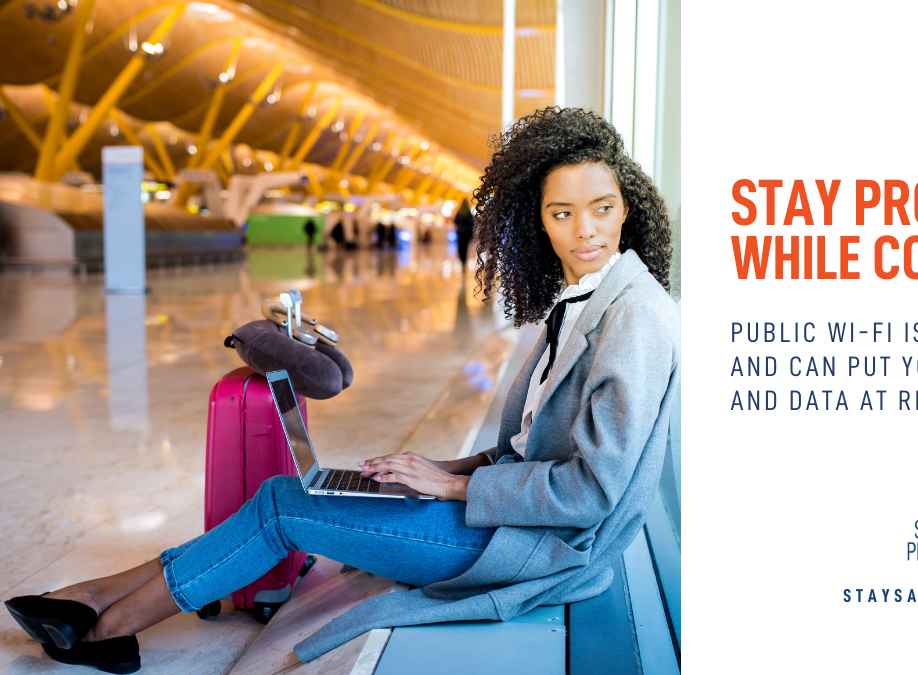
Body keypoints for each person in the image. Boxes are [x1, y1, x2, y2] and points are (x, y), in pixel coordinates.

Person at [4, 107, 679, 672]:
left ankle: (106, 625)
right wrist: (442, 467)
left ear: (628, 208)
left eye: (601, 208)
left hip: (530, 545)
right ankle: (93, 596)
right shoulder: (585, 300)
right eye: (562, 213)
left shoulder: (635, 316)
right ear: (538, 220)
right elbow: (535, 444)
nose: (584, 230)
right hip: (499, 517)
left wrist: (451, 487)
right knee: (299, 491)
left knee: (283, 508)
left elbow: (592, 491)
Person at [454, 200, 475, 269]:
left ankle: (462, 260)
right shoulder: (469, 213)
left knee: (460, 248)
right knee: (465, 248)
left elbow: (455, 221)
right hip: (467, 234)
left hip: (460, 234)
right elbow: (472, 223)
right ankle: (464, 261)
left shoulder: (459, 213)